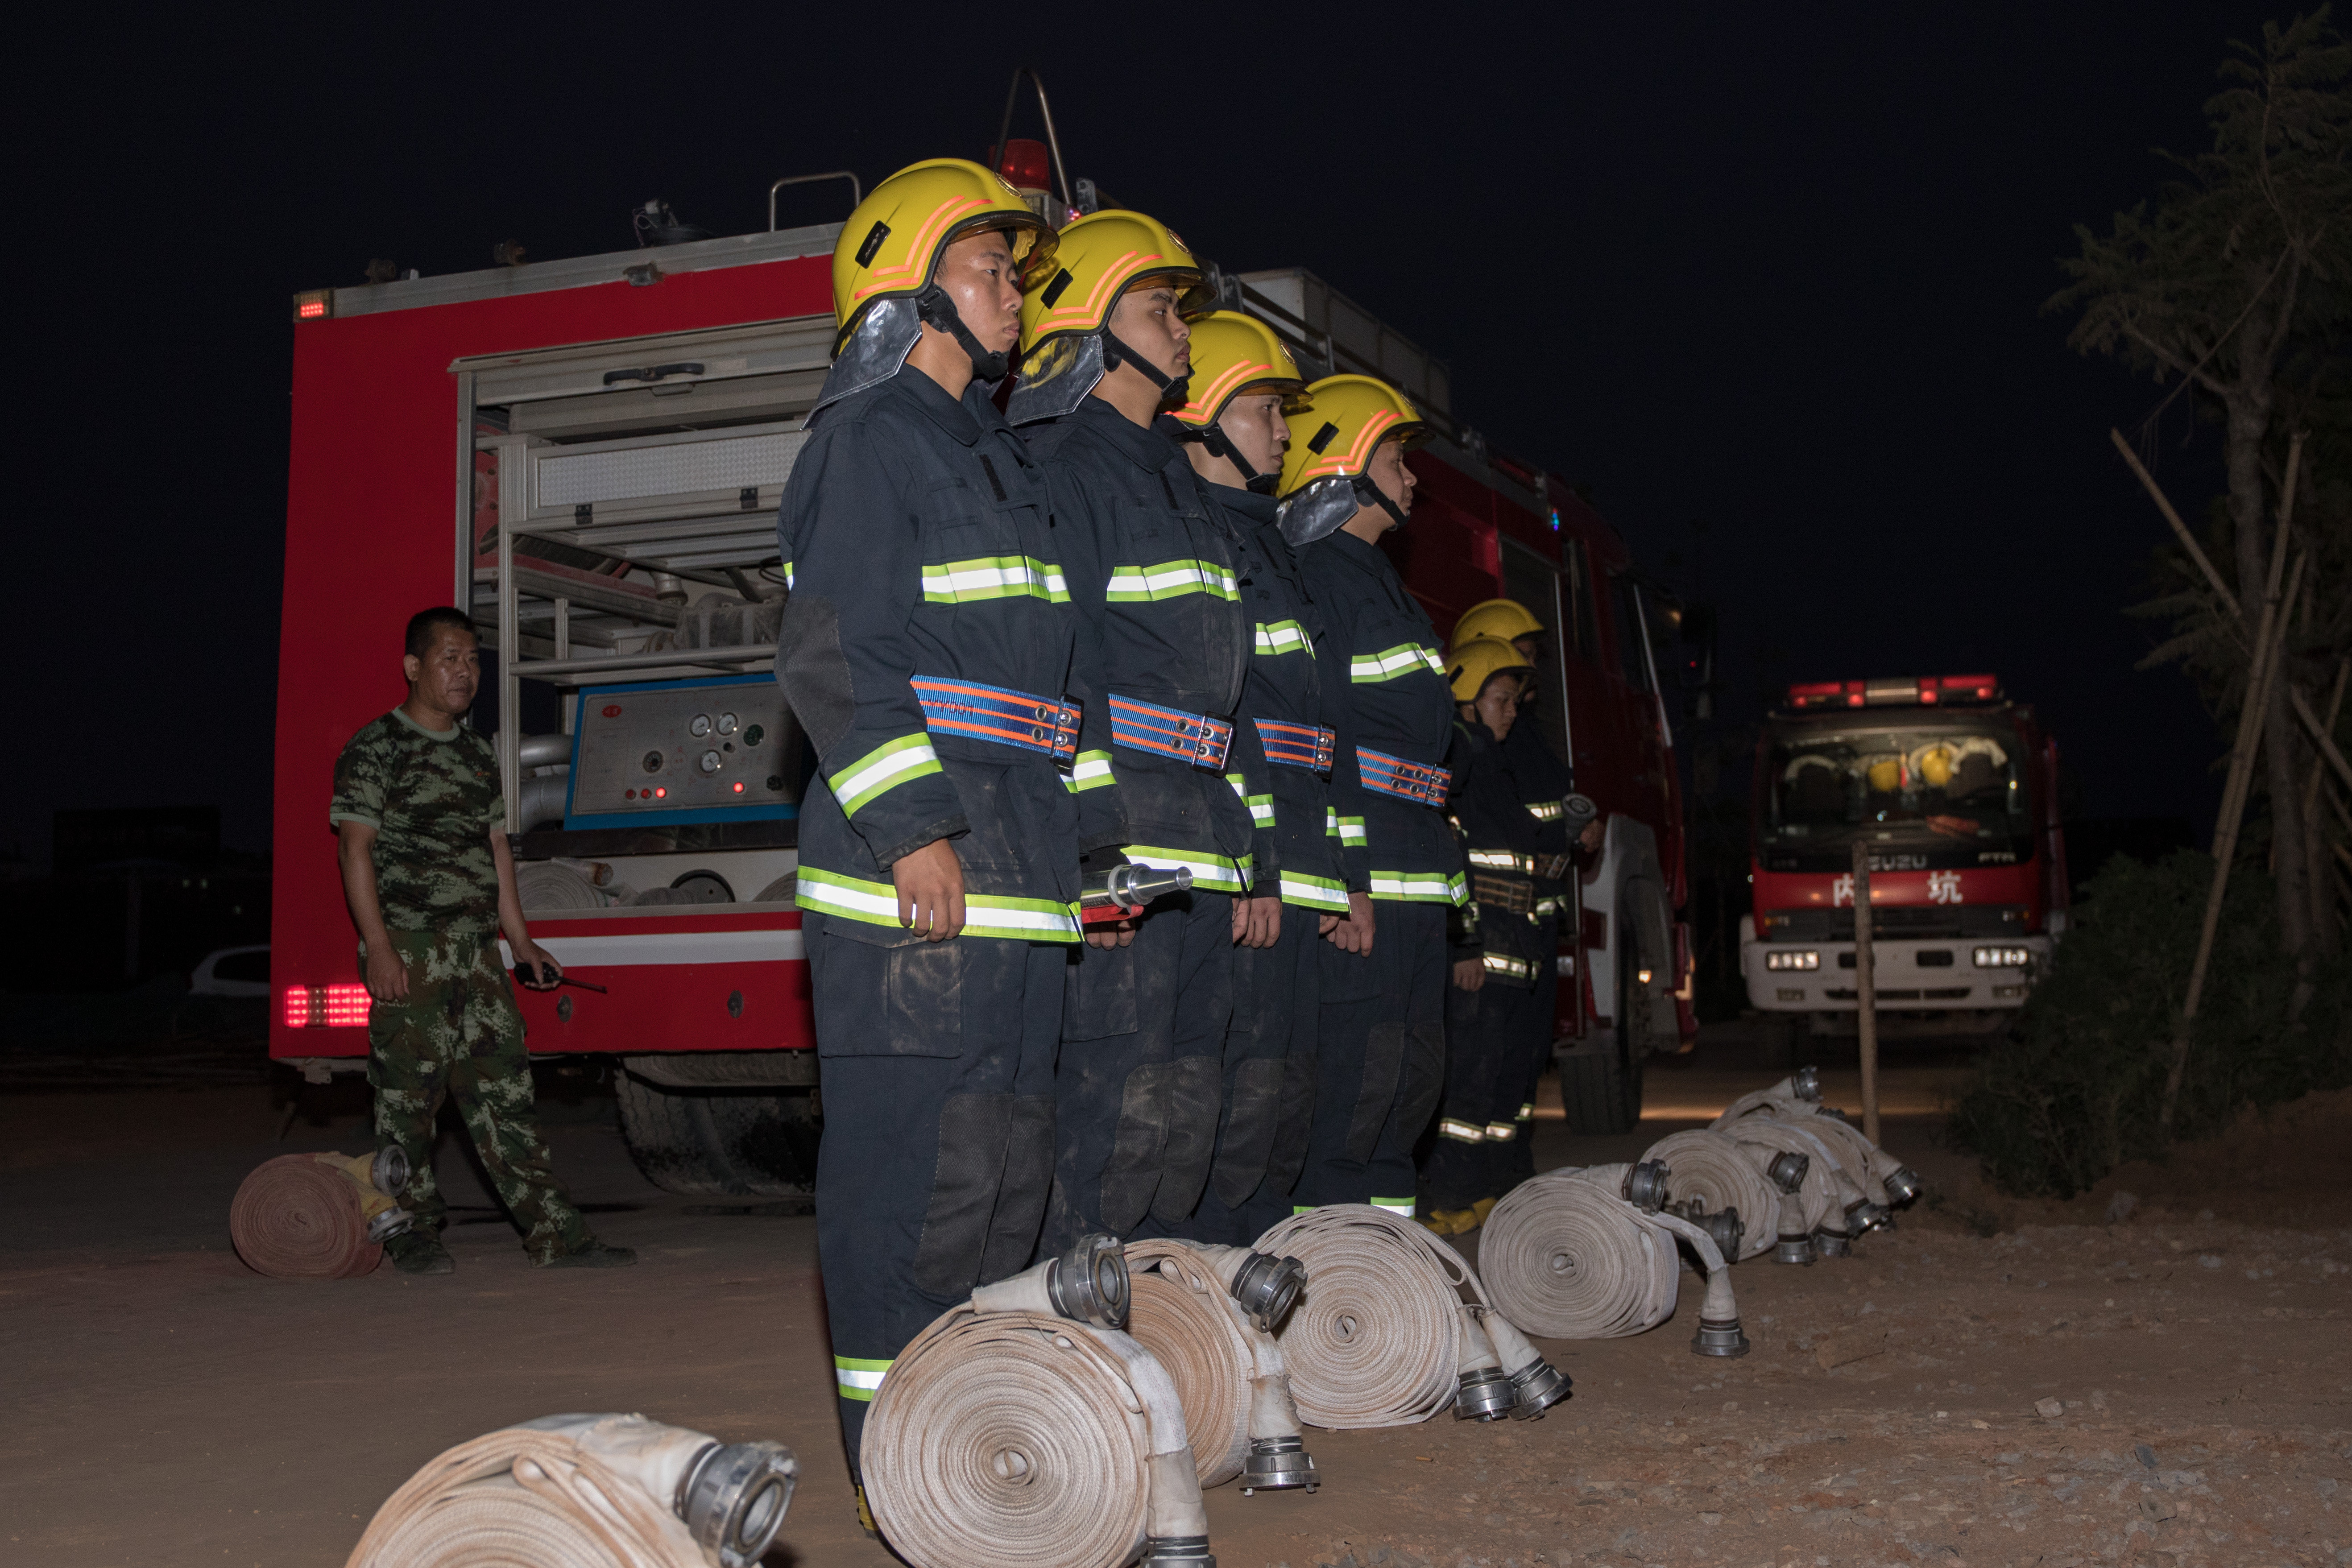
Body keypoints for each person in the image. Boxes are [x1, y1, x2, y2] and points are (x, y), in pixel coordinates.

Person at [770, 158, 1073, 1510]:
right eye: (991, 269)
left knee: (1002, 1190)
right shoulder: (869, 438)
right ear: (911, 292)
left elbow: (1040, 695)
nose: (1016, 293)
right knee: (912, 1196)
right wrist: (909, 830)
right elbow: (835, 650)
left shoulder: (989, 457)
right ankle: (901, 1480)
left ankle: (982, 1463)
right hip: (917, 893)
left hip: (1015, 885)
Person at [1010, 209, 1258, 1251]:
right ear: (1089, 323)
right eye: (1159, 309)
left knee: (1184, 1097)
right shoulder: (1062, 467)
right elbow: (1061, 665)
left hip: (1196, 831)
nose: (1182, 329)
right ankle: (1087, 1306)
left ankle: (1168, 1300)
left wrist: (1242, 846)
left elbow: (1226, 696)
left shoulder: (1171, 476)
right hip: (1124, 835)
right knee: (1111, 1094)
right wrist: (1094, 844)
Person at [330, 607, 633, 1276]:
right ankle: (410, 1231)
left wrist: (521, 942)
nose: (464, 672)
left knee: (506, 1095)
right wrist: (379, 946)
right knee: (408, 1102)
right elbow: (355, 849)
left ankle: (557, 1236)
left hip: (476, 952)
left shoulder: (475, 754)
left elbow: (497, 847)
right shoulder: (376, 747)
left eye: (472, 660)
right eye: (450, 659)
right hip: (412, 947)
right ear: (414, 667)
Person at [1166, 311, 1350, 1241]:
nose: (1284, 433)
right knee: (1235, 1094)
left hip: (1288, 861)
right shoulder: (1203, 534)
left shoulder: (1267, 543)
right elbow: (1226, 719)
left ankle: (1265, 1266)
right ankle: (1220, 1275)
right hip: (1244, 861)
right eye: (1264, 410)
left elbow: (1313, 736)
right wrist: (1257, 867)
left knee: (1281, 1090)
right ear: (1202, 416)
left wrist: (1334, 875)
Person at [1276, 375, 1463, 1218]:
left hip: (1414, 877)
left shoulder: (1382, 583)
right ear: (1343, 462)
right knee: (1357, 1084)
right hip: (1373, 881)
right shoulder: (1321, 578)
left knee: (1409, 1079)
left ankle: (1387, 1264)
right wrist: (1345, 876)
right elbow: (1327, 741)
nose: (1411, 477)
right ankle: (1333, 1267)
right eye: (1395, 458)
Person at [1447, 598, 1602, 1186]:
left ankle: (1502, 1178)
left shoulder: (1514, 748)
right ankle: (1465, 1184)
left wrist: (1573, 829)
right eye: (1518, 660)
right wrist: (1464, 944)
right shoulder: (1469, 754)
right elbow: (1462, 850)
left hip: (1526, 933)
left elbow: (1524, 831)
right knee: (1475, 1071)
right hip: (1491, 936)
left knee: (1516, 1065)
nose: (1520, 698)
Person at [1422, 635, 1545, 1234]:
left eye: (1516, 700)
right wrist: (1465, 943)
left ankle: (1488, 1188)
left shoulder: (1498, 767)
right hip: (1480, 953)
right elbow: (1452, 860)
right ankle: (1446, 1196)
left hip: (1513, 951)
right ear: (1468, 699)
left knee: (1502, 1080)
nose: (1512, 710)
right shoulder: (1463, 764)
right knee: (1467, 1082)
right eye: (1501, 698)